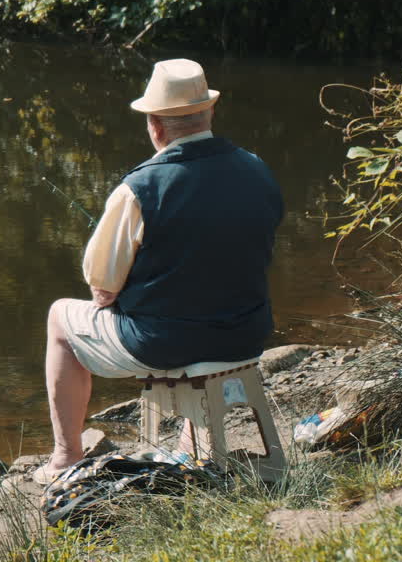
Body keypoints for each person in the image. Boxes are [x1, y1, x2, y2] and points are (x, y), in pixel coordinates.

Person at [33, 58, 284, 484]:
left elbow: (101, 284)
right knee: (203, 300)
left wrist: (112, 293)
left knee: (60, 315)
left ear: (156, 125)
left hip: (165, 345)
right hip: (247, 333)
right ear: (209, 113)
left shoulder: (140, 187)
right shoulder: (256, 168)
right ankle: (192, 445)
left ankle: (66, 456)